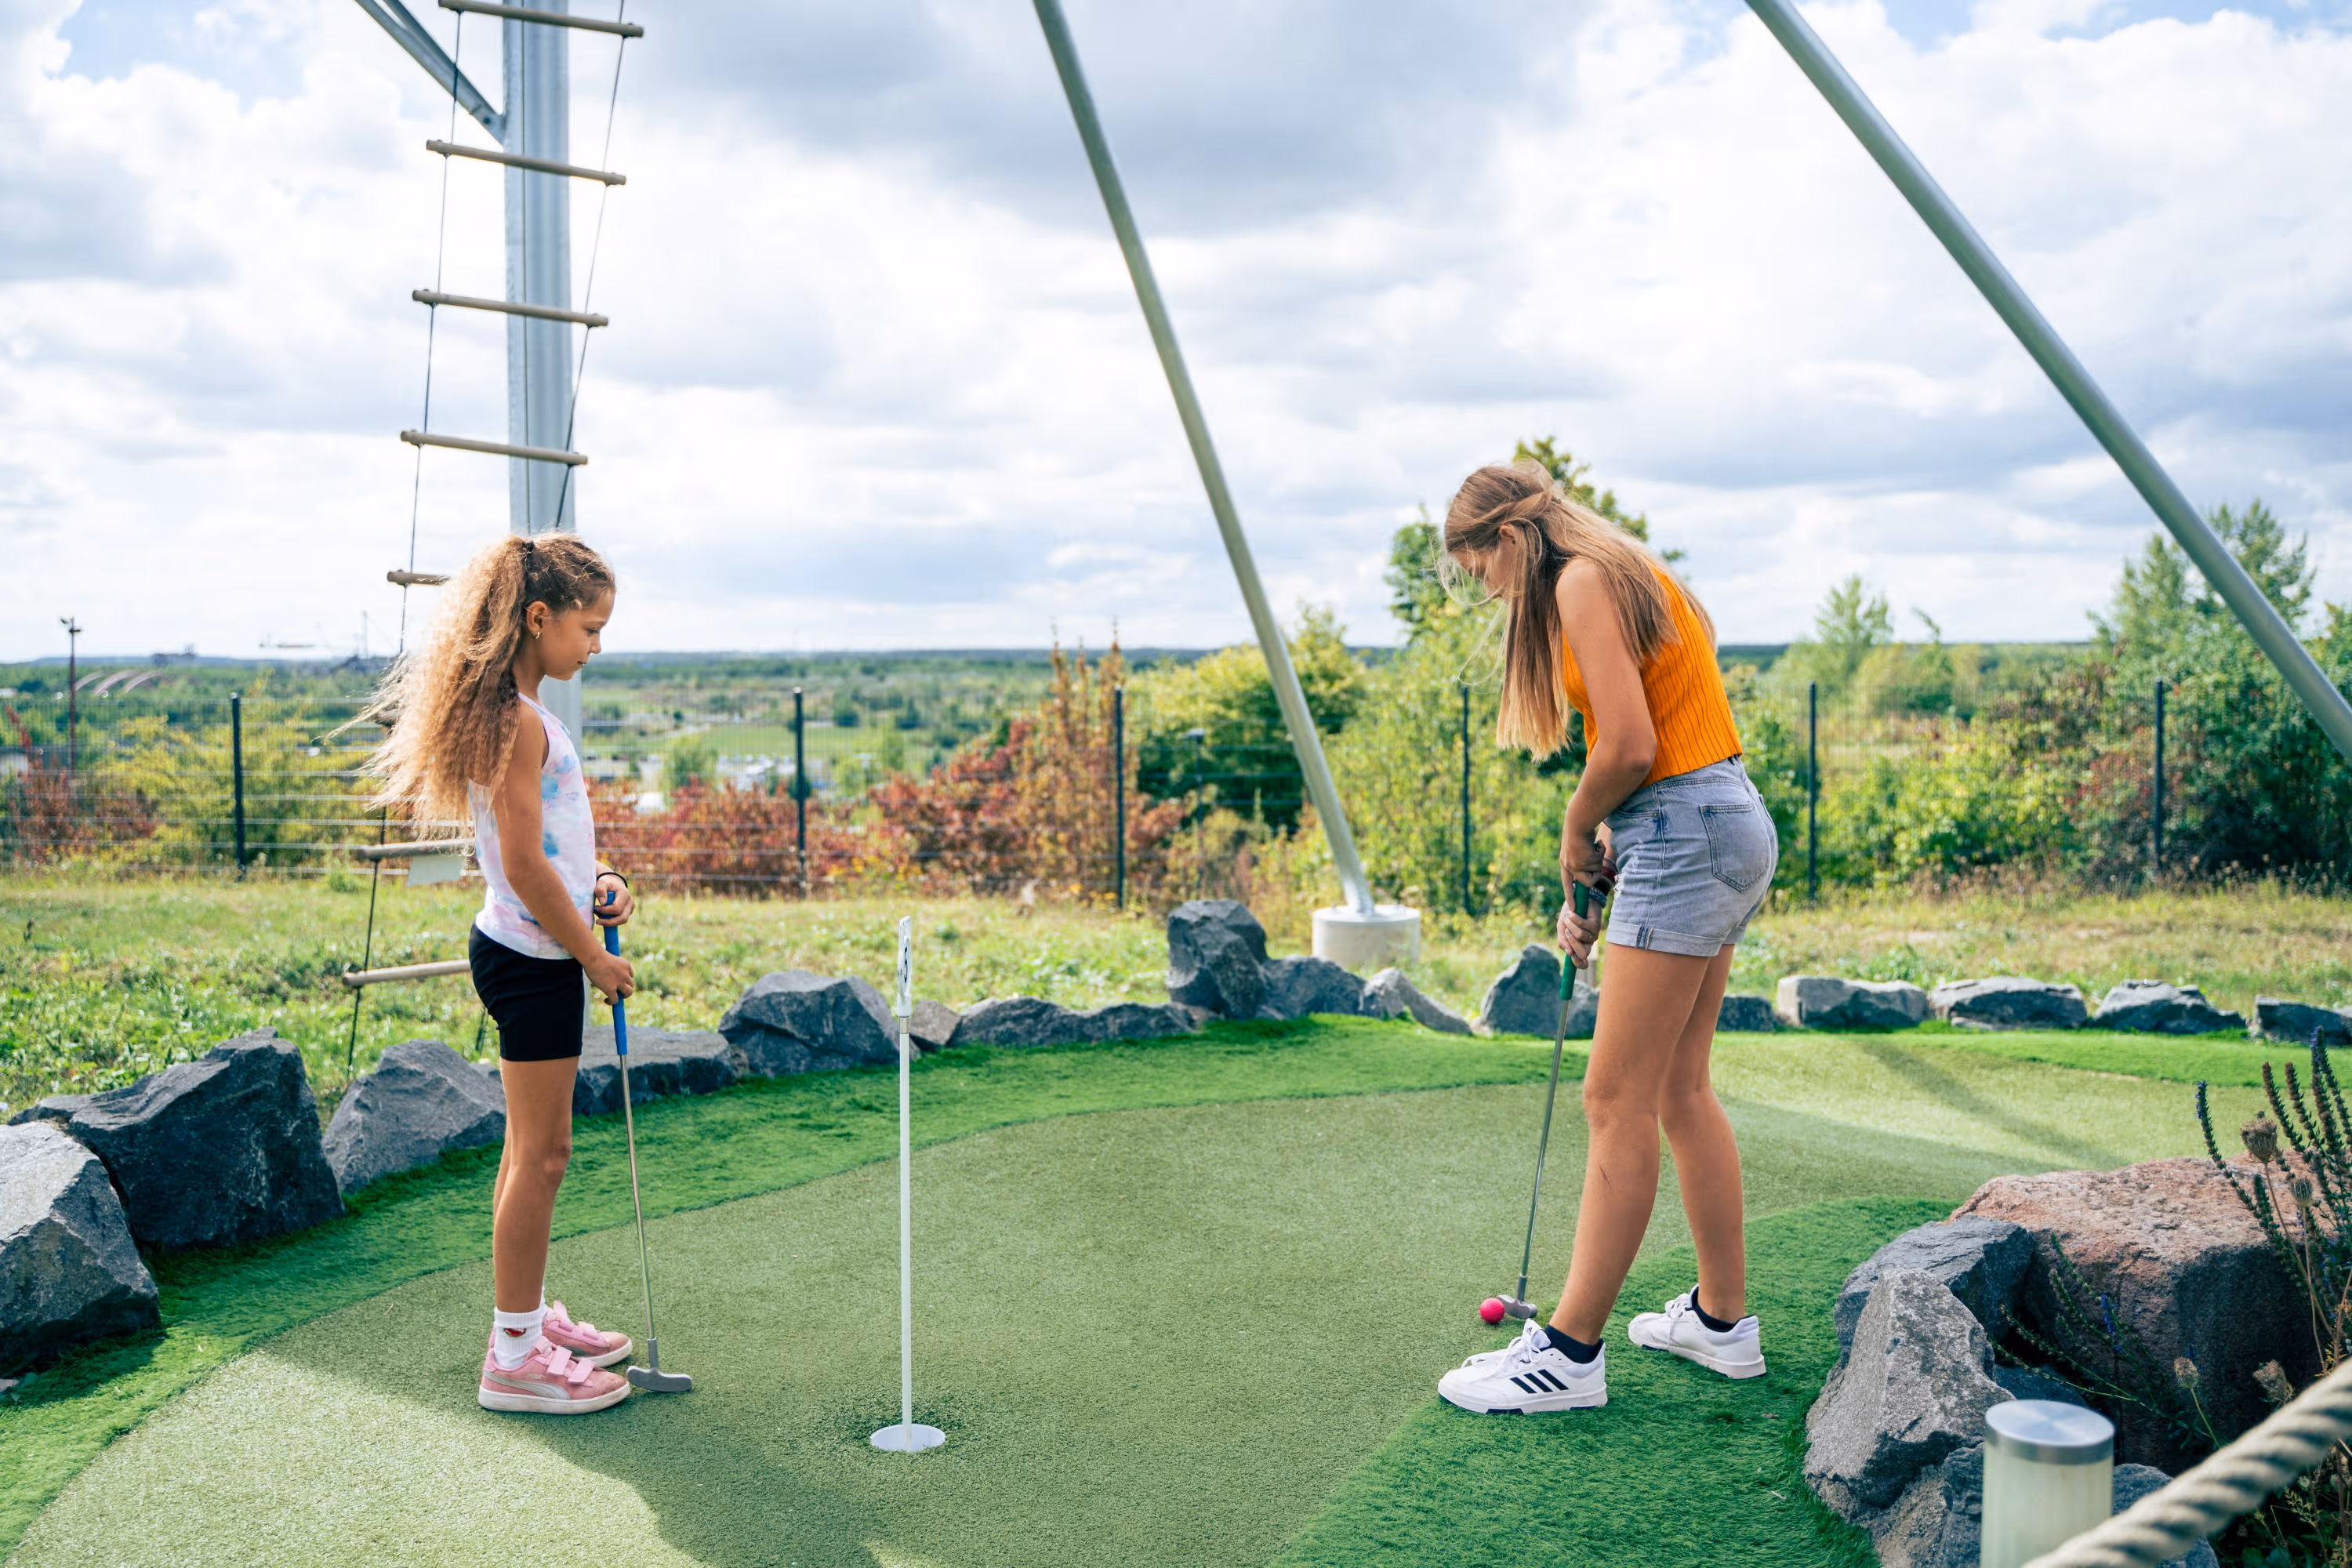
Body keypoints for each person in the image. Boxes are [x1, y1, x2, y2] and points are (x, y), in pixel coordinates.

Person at [1432, 459, 1778, 1415]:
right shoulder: (1627, 566)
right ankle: (1721, 1322)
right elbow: (1663, 744)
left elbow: (1626, 748)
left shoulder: (1580, 580)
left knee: (1614, 1096)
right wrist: (1608, 855)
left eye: (1478, 569)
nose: (1485, 589)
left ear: (1506, 539)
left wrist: (1576, 827)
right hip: (1721, 818)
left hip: (1685, 826)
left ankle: (1569, 1353)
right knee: (1679, 1084)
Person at [364, 533, 640, 1414]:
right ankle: (514, 1354)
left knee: (529, 1152)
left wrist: (597, 886)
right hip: (534, 960)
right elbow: (519, 864)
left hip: (530, 946)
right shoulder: (520, 721)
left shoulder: (521, 715)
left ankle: (523, 1317)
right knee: (546, 1155)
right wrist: (593, 954)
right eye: (588, 626)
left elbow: (545, 855)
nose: (595, 644)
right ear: (537, 617)